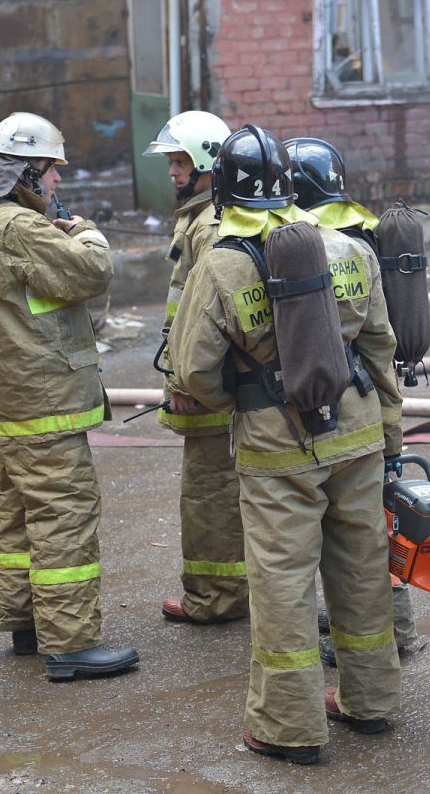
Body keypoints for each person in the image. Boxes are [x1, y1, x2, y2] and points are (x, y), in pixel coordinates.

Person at [168, 125, 402, 765]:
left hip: (277, 449)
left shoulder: (222, 261)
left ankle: (288, 727)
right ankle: (373, 701)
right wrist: (389, 434)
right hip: (356, 434)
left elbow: (193, 372)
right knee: (360, 570)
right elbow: (380, 347)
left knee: (282, 583)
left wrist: (236, 404)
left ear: (226, 191)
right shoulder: (350, 249)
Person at [0, 112, 138, 681]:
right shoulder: (22, 229)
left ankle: (25, 624)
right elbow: (93, 270)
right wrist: (84, 229)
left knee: (18, 515)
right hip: (45, 404)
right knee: (64, 515)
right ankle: (70, 644)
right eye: (51, 172)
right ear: (26, 174)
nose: (56, 184)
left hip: (2, 404)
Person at [285, 136, 427, 664]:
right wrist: (393, 435)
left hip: (327, 407)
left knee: (346, 538)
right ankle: (392, 632)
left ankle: (390, 635)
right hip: (375, 401)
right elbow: (384, 344)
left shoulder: (299, 244)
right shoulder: (366, 231)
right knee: (374, 527)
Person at [143, 110, 249, 624]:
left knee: (209, 491)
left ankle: (215, 598)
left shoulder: (208, 226)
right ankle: (231, 590)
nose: (172, 172)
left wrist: (184, 379)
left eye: (179, 161)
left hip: (206, 380)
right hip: (211, 375)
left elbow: (199, 314)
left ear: (207, 160)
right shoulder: (205, 215)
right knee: (222, 486)